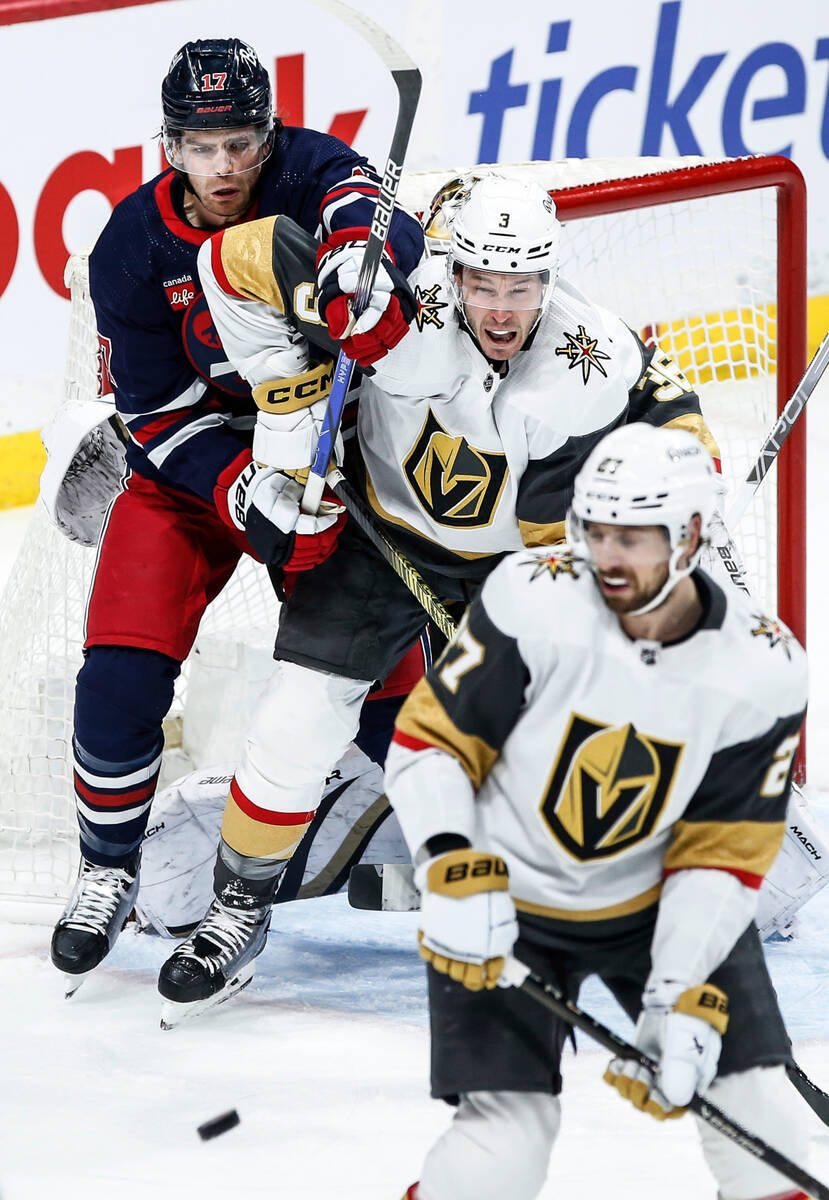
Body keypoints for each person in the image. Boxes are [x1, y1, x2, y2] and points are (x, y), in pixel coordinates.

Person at [155, 173, 724, 1022]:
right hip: (378, 537)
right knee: (294, 720)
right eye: (483, 284)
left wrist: (690, 484)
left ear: (549, 277)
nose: (501, 309)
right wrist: (286, 406)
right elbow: (235, 255)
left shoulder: (589, 355)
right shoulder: (394, 303)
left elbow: (673, 410)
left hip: (512, 556)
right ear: (453, 274)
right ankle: (238, 907)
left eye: (521, 286)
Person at [49, 36, 425, 998]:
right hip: (192, 481)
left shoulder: (304, 169)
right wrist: (234, 490)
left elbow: (379, 216)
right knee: (119, 677)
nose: (224, 166)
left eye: (241, 142)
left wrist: (361, 267)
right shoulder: (131, 246)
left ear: (267, 134)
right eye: (200, 145)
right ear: (168, 145)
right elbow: (153, 416)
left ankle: (456, 841)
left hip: (318, 470)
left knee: (382, 678)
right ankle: (104, 868)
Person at [383, 423, 809, 1200]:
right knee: (497, 1155)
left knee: (773, 1133)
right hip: (500, 891)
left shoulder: (762, 667)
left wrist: (676, 991)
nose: (606, 557)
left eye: (632, 537)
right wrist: (448, 864)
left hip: (656, 905)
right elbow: (429, 744)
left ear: (688, 535)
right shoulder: (530, 594)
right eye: (595, 530)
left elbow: (723, 851)